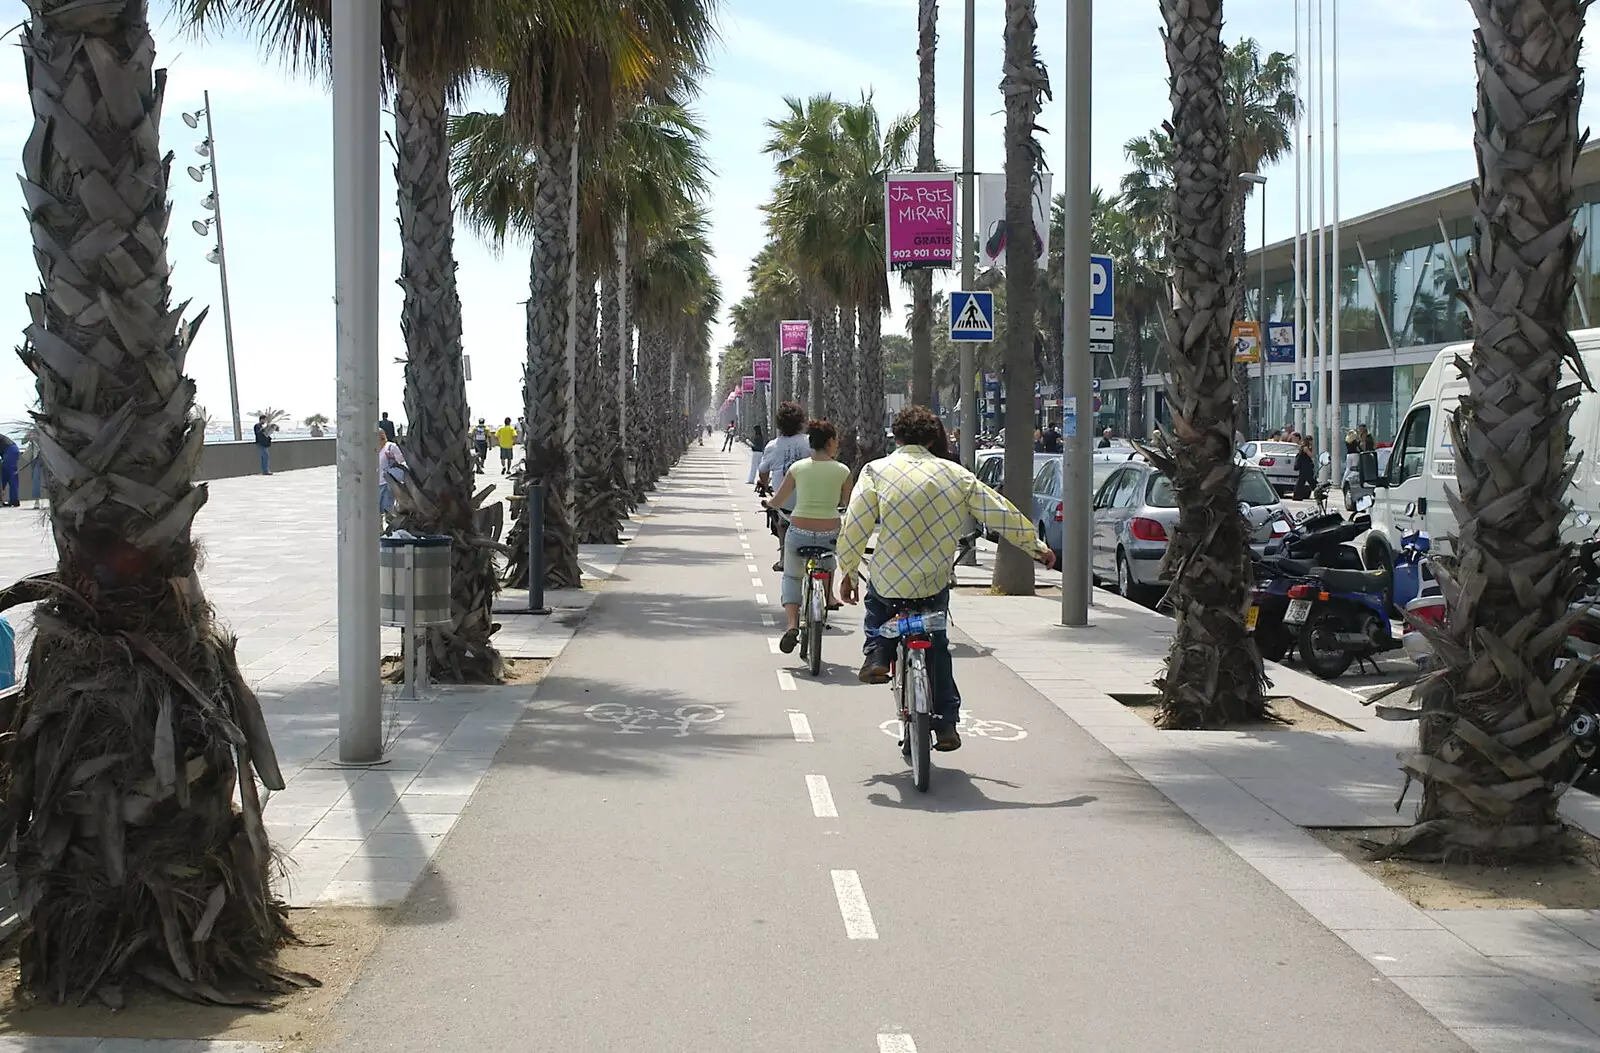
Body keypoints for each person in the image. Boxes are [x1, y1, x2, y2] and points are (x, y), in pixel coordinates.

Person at [836, 405, 1057, 752]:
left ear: (896, 437)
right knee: (937, 647)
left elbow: (856, 524)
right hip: (933, 582)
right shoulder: (956, 475)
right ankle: (948, 725)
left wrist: (848, 570)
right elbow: (1001, 512)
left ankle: (878, 654)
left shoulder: (876, 471)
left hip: (890, 579)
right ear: (930, 438)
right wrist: (1037, 546)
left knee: (877, 604)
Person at [764, 418, 853, 651]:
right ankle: (828, 596)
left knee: (792, 577)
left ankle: (792, 625)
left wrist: (768, 503)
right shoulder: (843, 471)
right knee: (829, 559)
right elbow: (847, 503)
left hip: (799, 531)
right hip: (829, 532)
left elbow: (779, 499)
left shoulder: (798, 468)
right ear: (831, 442)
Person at [757, 403, 812, 571]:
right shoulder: (810, 442)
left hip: (785, 503)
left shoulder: (773, 446)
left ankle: (783, 558)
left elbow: (763, 472)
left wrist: (765, 486)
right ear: (801, 422)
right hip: (811, 499)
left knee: (781, 520)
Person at [377, 427, 408, 516]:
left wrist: (392, 457)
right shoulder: (372, 449)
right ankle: (379, 528)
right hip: (376, 483)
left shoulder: (391, 446)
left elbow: (402, 462)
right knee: (377, 509)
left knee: (387, 507)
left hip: (388, 482)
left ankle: (388, 525)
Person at [0, 434, 19, 507]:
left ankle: (14, 500)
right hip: (10, 450)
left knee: (11, 477)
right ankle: (9, 500)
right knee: (4, 477)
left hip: (9, 451)